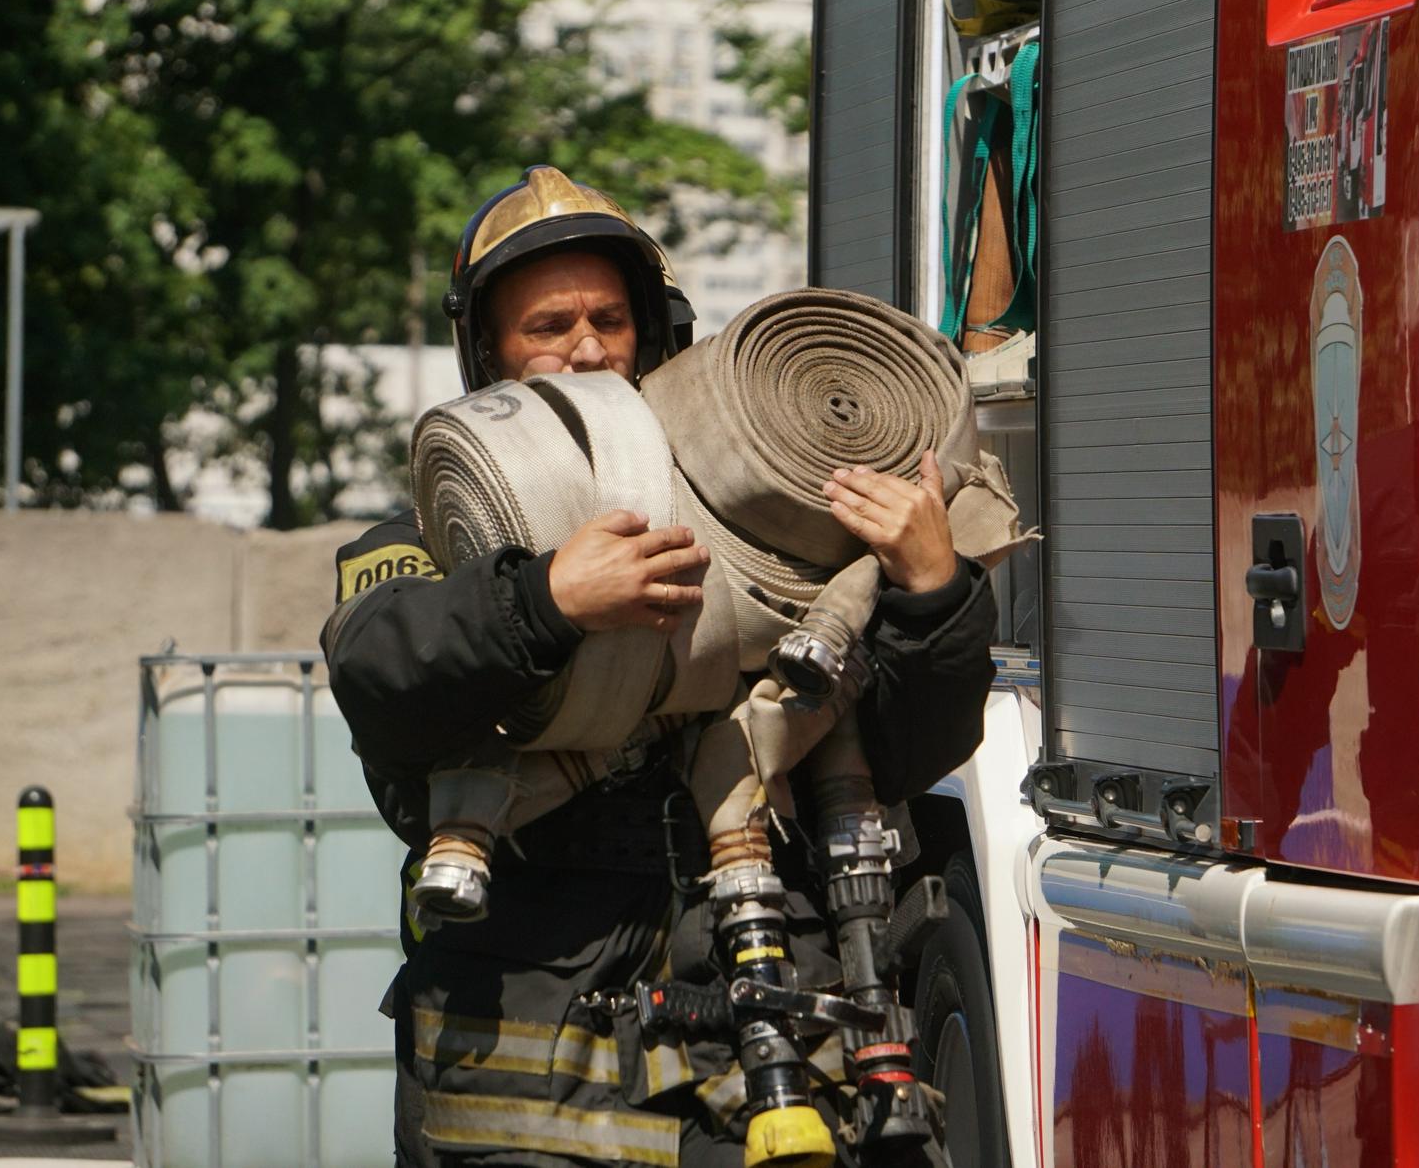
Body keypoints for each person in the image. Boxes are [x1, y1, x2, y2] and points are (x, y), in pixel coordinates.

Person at [322, 166, 999, 1167]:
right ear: (488, 354)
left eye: (608, 317)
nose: (587, 345)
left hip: (763, 1081)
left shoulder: (767, 534)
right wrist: (543, 599)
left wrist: (933, 589)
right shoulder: (432, 540)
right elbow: (386, 684)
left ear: (655, 331)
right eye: (547, 325)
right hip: (526, 1107)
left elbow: (903, 749)